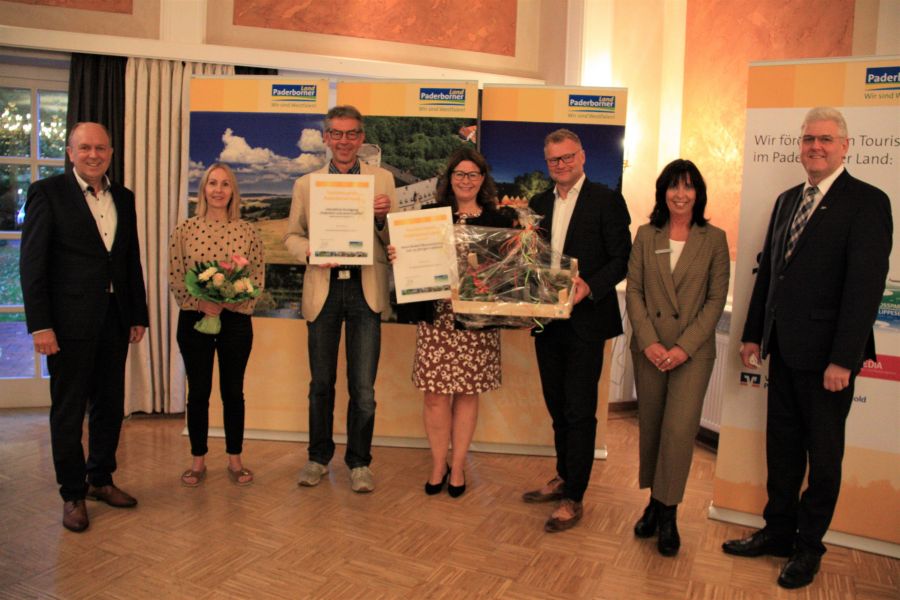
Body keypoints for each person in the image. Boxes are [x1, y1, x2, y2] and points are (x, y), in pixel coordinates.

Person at [723, 107, 892, 589]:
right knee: (782, 450)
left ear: (845, 146)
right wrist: (754, 332)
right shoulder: (787, 200)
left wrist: (844, 357)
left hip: (828, 363)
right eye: (808, 139)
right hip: (784, 351)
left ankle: (808, 546)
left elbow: (864, 288)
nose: (814, 146)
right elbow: (771, 275)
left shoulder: (867, 202)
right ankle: (777, 532)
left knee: (823, 457)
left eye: (825, 139)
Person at [19, 122, 149, 532]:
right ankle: (72, 493)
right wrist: (40, 325)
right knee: (69, 411)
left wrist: (138, 314)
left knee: (110, 406)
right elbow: (32, 265)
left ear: (111, 153)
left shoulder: (123, 198)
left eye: (101, 148)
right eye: (85, 148)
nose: (94, 155)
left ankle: (101, 479)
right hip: (68, 324)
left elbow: (129, 260)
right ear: (71, 153)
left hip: (115, 320)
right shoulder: (47, 193)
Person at [283, 105, 397, 493]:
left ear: (361, 138)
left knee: (363, 388)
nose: (345, 141)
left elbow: (392, 241)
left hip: (366, 289)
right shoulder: (306, 184)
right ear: (326, 138)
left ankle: (360, 462)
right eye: (337, 133)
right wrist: (313, 251)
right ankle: (317, 459)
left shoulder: (382, 181)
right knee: (321, 384)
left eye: (352, 134)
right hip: (324, 289)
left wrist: (383, 220)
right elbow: (291, 237)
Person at [522, 129, 632, 532]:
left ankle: (575, 495)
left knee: (579, 410)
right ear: (547, 162)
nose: (561, 165)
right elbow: (529, 261)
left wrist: (590, 286)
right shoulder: (536, 204)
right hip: (546, 321)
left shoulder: (607, 200)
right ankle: (564, 475)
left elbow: (622, 258)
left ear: (582, 157)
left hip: (586, 321)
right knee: (556, 406)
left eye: (568, 158)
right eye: (554, 160)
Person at [389, 147, 514, 498]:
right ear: (450, 179)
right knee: (434, 396)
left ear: (483, 179)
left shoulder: (499, 221)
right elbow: (409, 258)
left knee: (467, 394)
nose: (466, 180)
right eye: (459, 174)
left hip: (474, 321)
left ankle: (458, 467)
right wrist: (399, 253)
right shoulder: (429, 215)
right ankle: (437, 464)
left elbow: (506, 274)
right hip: (437, 320)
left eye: (473, 174)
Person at [625, 159, 729, 556]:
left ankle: (668, 514)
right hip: (650, 350)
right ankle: (653, 502)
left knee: (679, 431)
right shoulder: (646, 234)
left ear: (698, 193)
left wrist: (684, 347)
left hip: (692, 352)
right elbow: (634, 291)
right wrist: (649, 341)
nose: (680, 194)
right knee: (651, 426)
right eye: (673, 186)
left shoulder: (714, 238)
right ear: (662, 192)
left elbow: (716, 299)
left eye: (688, 187)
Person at [168, 163, 264, 487]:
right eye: (213, 183)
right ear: (203, 189)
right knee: (198, 393)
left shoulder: (247, 231)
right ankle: (198, 461)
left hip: (235, 321)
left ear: (233, 191)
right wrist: (199, 303)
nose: (218, 190)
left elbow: (257, 278)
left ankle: (235, 460)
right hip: (195, 320)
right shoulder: (185, 230)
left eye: (225, 184)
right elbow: (176, 275)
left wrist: (231, 301)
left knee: (233, 392)